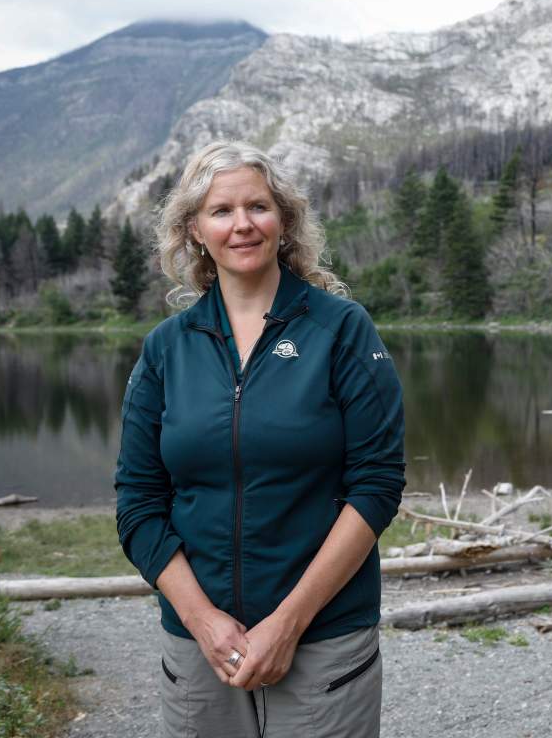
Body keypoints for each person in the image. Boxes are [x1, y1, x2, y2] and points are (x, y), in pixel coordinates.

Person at [115, 140, 405, 737]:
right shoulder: (167, 349)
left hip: (325, 636)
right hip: (200, 646)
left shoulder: (341, 330)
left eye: (258, 206)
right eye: (222, 211)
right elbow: (139, 502)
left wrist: (288, 623)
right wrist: (201, 621)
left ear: (284, 219)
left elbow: (376, 485)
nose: (242, 224)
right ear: (195, 230)